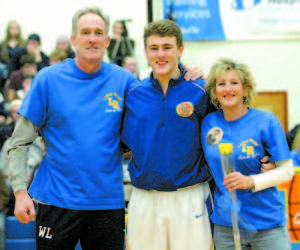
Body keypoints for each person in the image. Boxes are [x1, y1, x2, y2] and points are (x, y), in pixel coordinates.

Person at [7, 6, 138, 250]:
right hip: (56, 201)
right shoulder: (48, 79)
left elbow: (160, 101)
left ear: (107, 40)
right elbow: (19, 142)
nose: (92, 38)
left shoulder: (125, 81)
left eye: (98, 32)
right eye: (85, 32)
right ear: (73, 39)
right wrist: (19, 192)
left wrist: (186, 74)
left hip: (106, 204)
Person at [121, 19, 215, 250]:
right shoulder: (133, 94)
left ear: (180, 50)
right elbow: (119, 144)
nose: (160, 54)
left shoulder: (201, 90)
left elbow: (230, 129)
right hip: (144, 198)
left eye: (167, 47)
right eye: (154, 48)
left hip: (190, 197)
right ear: (145, 51)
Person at [201, 57, 294, 249]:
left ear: (245, 89)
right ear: (214, 91)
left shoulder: (266, 121)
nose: (228, 89)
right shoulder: (208, 123)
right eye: (221, 84)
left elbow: (287, 171)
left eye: (234, 83)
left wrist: (251, 181)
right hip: (226, 225)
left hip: (266, 225)